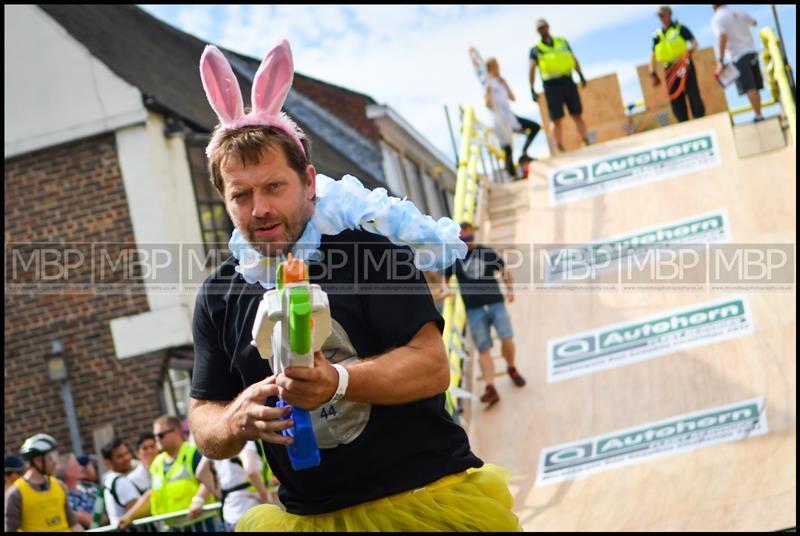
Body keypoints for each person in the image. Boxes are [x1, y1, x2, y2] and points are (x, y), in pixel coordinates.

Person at [187, 40, 520, 531]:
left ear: (309, 182)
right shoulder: (219, 296)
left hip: (426, 501)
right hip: (309, 518)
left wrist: (338, 381)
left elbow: (432, 367)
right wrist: (239, 418)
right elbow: (203, 418)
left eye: (274, 187)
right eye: (242, 195)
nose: (259, 209)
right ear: (225, 199)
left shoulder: (368, 251)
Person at [440, 223, 525, 407]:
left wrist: (510, 290)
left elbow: (503, 270)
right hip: (474, 309)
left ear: (474, 236)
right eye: (463, 240)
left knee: (507, 338)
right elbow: (445, 276)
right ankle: (490, 387)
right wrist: (446, 289)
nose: (467, 243)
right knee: (483, 348)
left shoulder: (486, 252)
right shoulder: (455, 258)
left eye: (469, 238)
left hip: (495, 303)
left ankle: (511, 367)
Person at [117, 415, 219, 531]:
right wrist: (129, 516)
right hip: (173, 528)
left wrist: (198, 500)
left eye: (160, 435)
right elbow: (152, 494)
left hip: (201, 525)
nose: (156, 440)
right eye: (155, 436)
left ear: (175, 432)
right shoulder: (157, 462)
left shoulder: (193, 453)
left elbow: (210, 479)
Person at [529, 18, 590, 152]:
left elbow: (573, 58)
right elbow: (531, 68)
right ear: (537, 31)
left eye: (543, 27)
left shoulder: (562, 42)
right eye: (539, 28)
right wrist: (531, 88)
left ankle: (585, 140)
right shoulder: (536, 49)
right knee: (555, 118)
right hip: (551, 86)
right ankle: (559, 146)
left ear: (548, 26)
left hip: (568, 81)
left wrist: (580, 74)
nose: (542, 30)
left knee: (577, 114)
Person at [4, 433, 83, 532]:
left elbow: (74, 525)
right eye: (51, 457)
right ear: (37, 460)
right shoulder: (15, 494)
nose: (55, 462)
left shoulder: (59, 485)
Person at [484, 57, 541, 180]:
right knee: (507, 148)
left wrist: (505, 84)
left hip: (510, 117)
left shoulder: (500, 81)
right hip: (499, 120)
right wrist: (488, 91)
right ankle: (513, 175)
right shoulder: (487, 84)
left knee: (534, 127)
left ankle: (524, 153)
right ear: (491, 67)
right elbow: (487, 105)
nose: (498, 67)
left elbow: (513, 98)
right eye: (496, 65)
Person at [650, 6, 706, 123]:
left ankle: (700, 118)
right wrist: (652, 72)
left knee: (692, 92)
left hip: (684, 64)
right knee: (675, 97)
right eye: (659, 16)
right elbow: (652, 54)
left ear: (669, 14)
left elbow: (694, 43)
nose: (661, 18)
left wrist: (690, 51)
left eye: (662, 15)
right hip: (669, 68)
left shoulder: (680, 28)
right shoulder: (657, 35)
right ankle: (683, 122)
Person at [201, 442, 274, 531]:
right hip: (251, 510)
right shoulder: (245, 441)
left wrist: (221, 495)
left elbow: (201, 473)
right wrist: (265, 495)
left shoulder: (215, 442)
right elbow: (251, 470)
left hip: (229, 514)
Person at [711, 5, 764, 122]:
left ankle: (758, 115)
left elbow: (722, 37)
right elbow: (754, 23)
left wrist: (720, 60)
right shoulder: (739, 12)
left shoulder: (717, 19)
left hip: (738, 56)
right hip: (751, 51)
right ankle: (759, 113)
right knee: (755, 86)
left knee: (750, 87)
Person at [100, 438, 142, 527]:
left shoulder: (109, 480)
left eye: (127, 453)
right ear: (108, 462)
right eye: (120, 456)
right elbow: (135, 512)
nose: (127, 458)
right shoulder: (121, 482)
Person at [58, 453, 99, 529]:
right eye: (77, 465)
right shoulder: (62, 495)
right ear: (68, 472)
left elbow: (104, 517)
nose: (81, 468)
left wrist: (81, 517)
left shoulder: (89, 488)